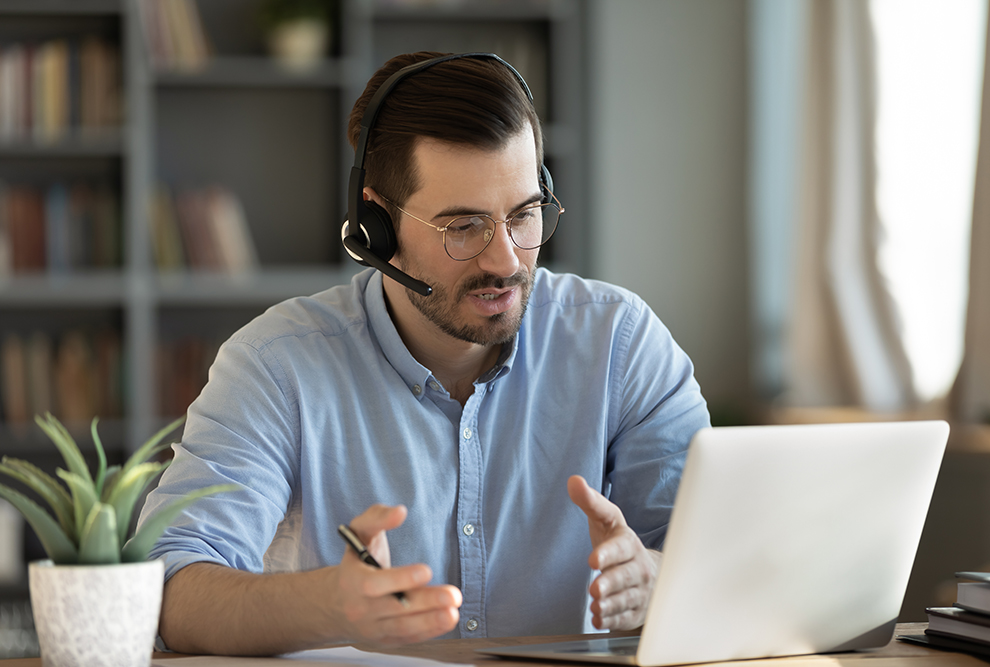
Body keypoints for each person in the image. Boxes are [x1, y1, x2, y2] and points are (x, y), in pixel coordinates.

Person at [138, 51, 710, 656]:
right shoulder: (276, 365)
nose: (506, 260)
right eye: (462, 227)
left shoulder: (621, 344)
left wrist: (656, 581)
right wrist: (330, 606)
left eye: (524, 215)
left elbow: (728, 564)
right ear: (375, 226)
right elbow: (170, 590)